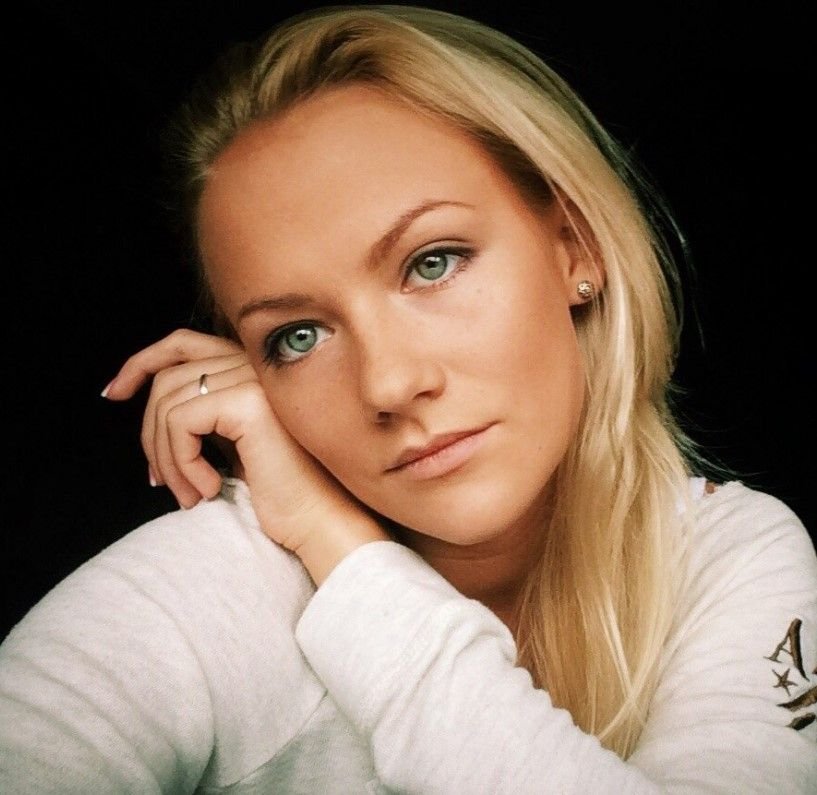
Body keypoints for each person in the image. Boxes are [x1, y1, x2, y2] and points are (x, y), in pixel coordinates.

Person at [2, 5, 815, 793]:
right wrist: (322, 533)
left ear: (575, 246)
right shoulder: (203, 591)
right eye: (298, 336)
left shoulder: (731, 558)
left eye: (432, 262)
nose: (388, 384)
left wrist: (346, 556)